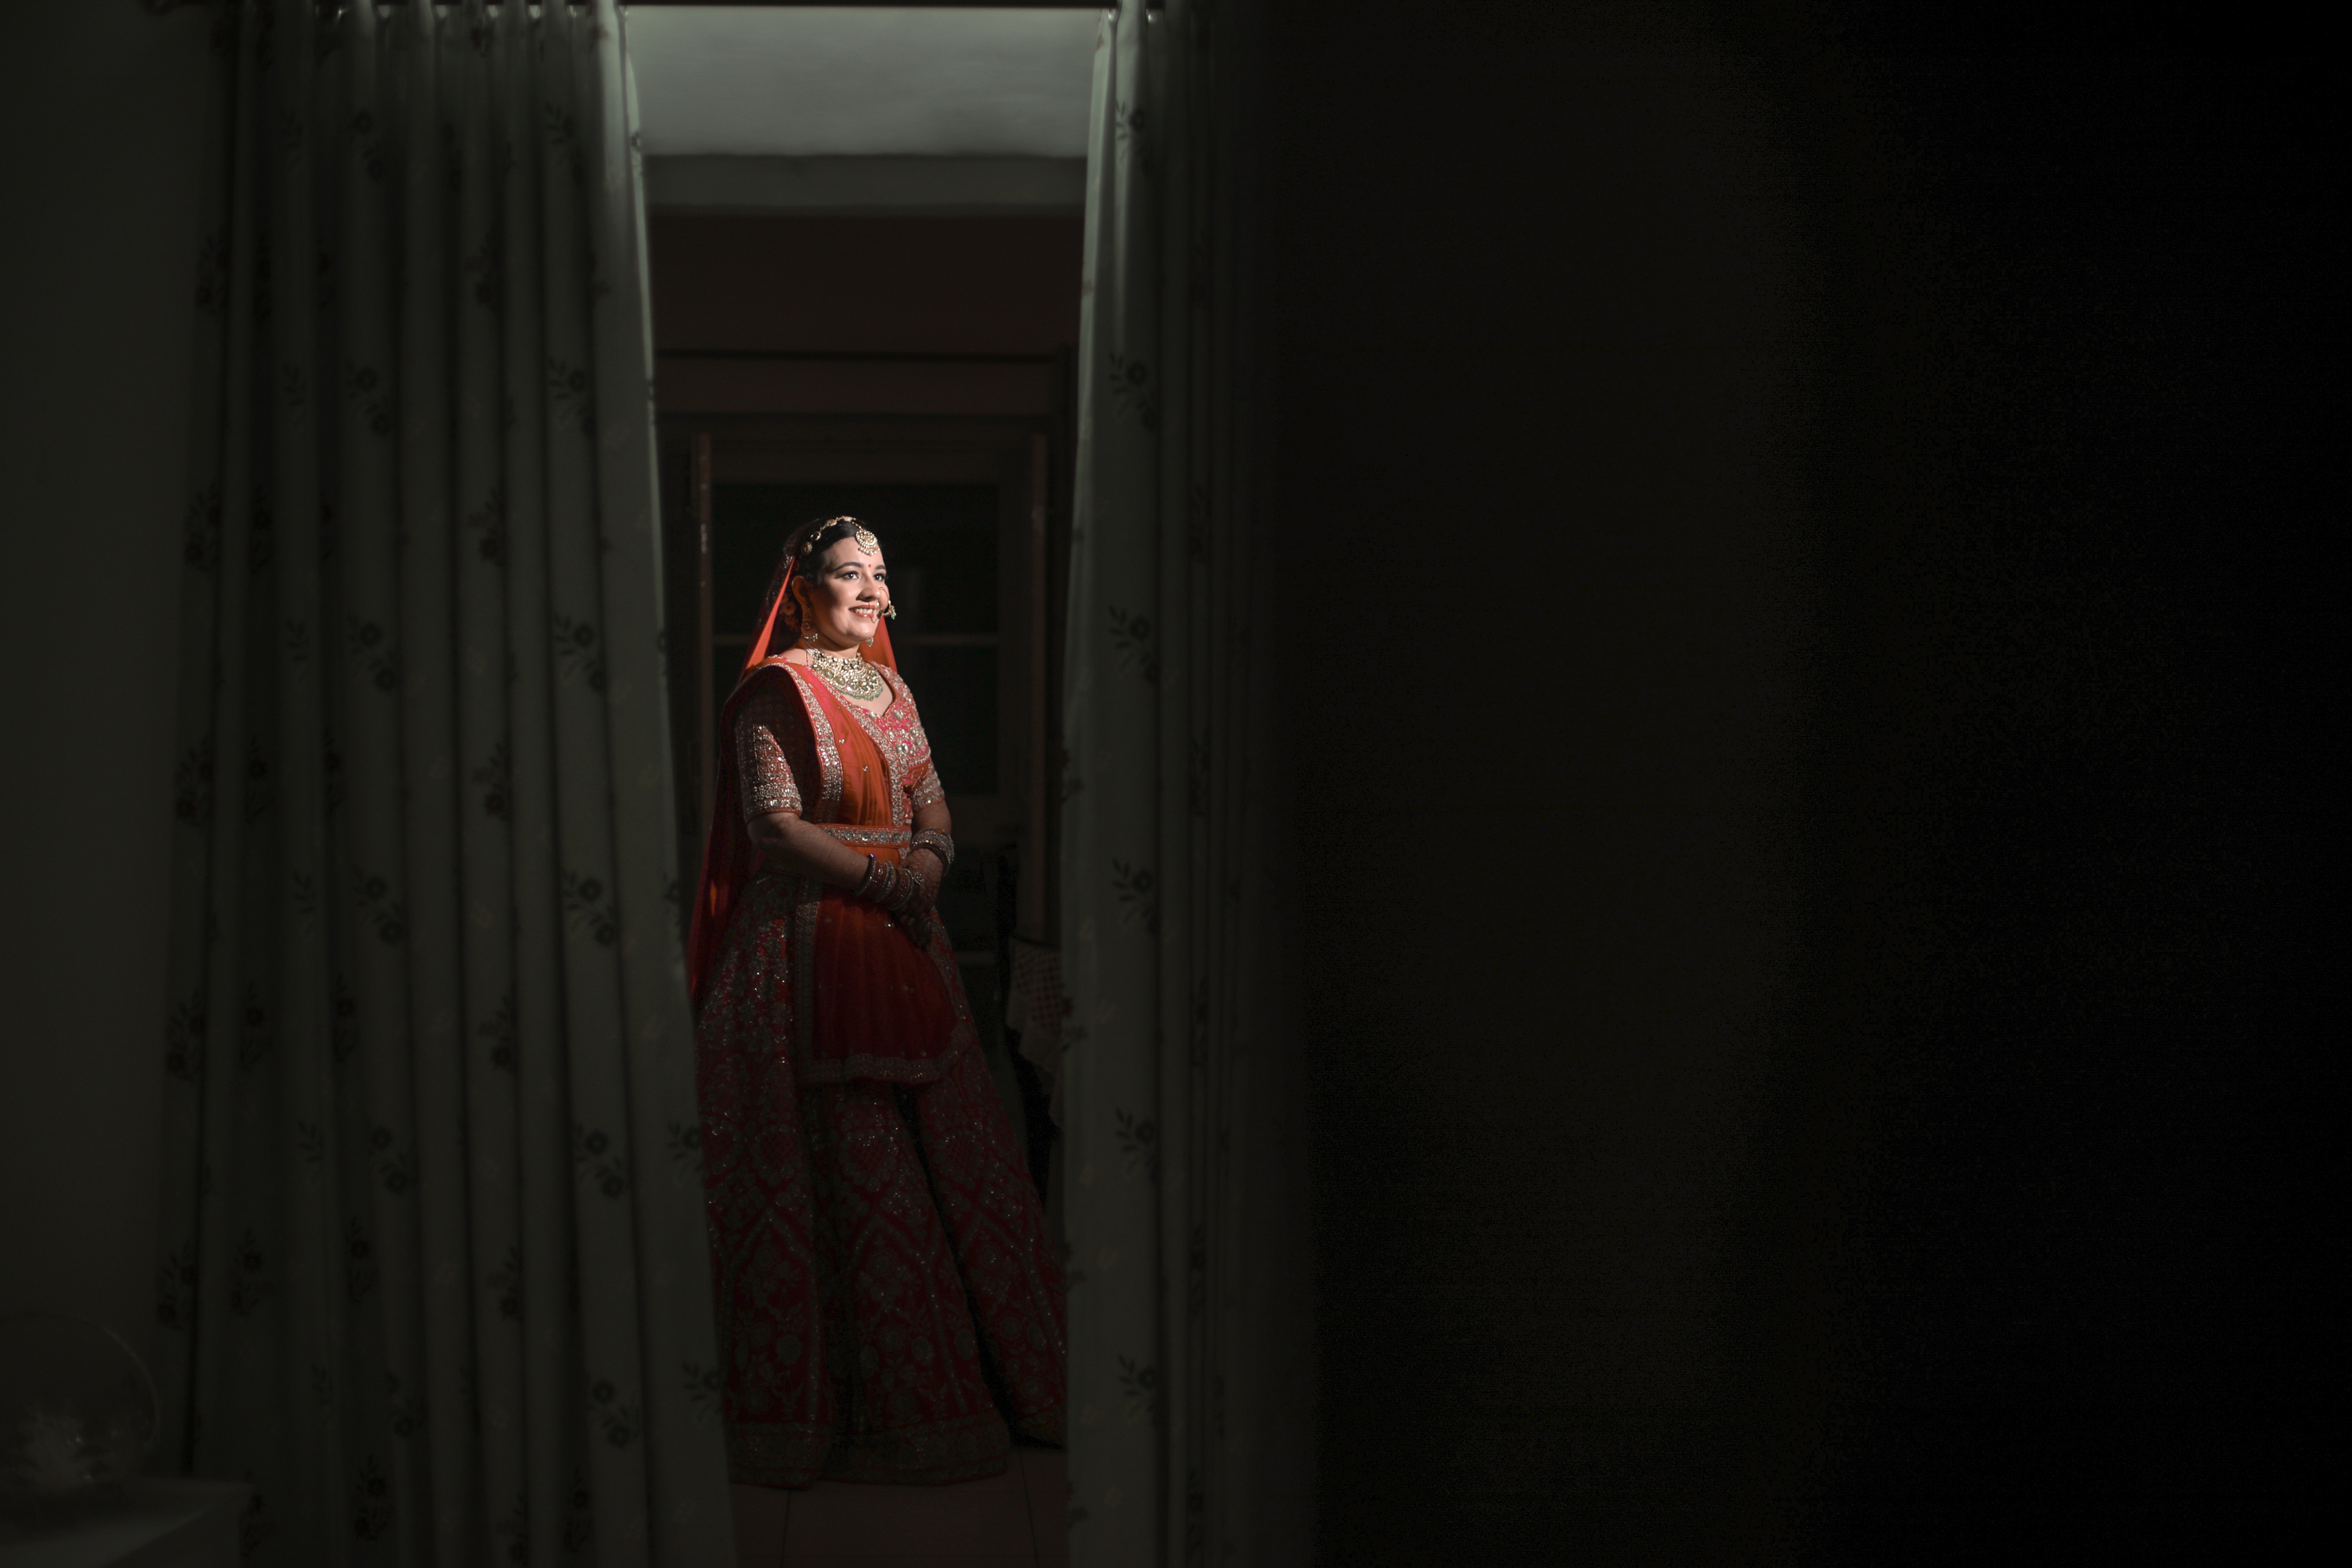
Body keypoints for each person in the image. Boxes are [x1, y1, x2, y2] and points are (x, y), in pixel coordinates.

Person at [687, 515, 1066, 1487]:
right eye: (848, 573)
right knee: (832, 1154)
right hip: (805, 943)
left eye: (881, 574)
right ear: (800, 592)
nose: (870, 589)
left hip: (904, 934)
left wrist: (927, 865)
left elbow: (930, 799)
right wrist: (888, 882)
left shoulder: (893, 688)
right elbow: (774, 828)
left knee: (952, 1144)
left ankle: (989, 1388)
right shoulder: (775, 691)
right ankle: (824, 1412)